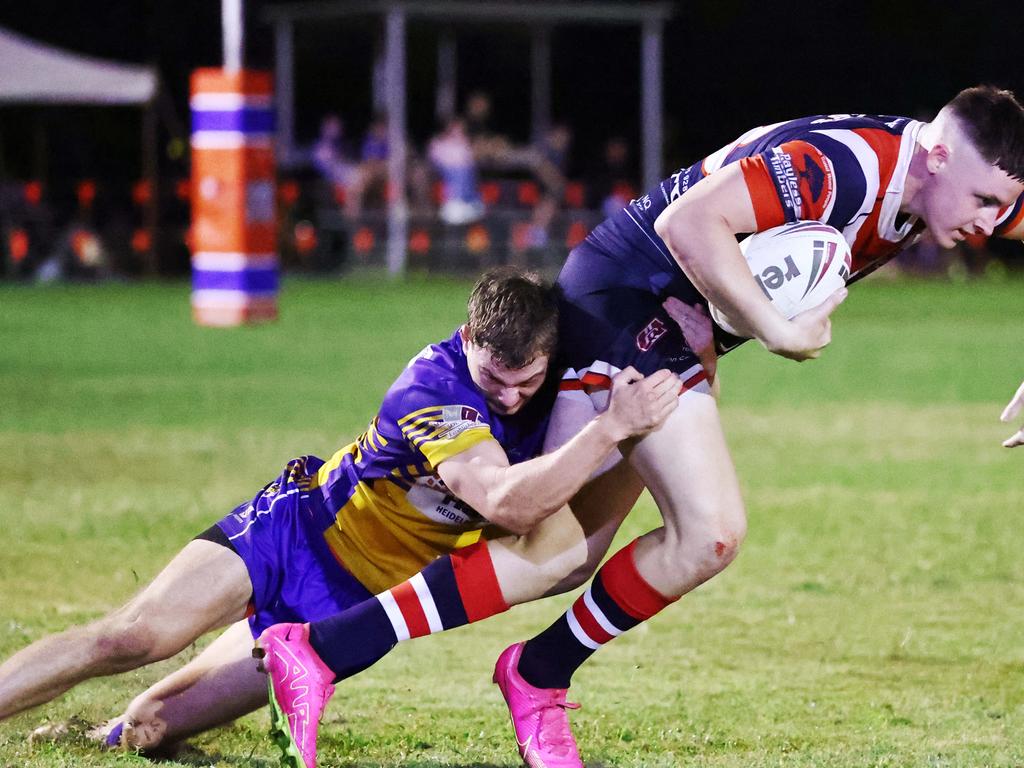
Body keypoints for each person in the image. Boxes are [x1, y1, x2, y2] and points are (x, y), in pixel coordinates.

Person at [254, 85, 1024, 768]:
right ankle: (462, 666)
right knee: (708, 531)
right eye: (985, 202)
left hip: (671, 324)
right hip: (625, 301)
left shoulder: (939, 178)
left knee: (563, 554)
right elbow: (693, 222)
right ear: (936, 153)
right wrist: (774, 330)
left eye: (1001, 208)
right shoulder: (849, 166)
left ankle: (344, 653)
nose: (992, 225)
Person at [0, 268, 681, 759]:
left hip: (349, 609)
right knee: (131, 639)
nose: (506, 397)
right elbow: (509, 502)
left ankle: (99, 735)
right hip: (296, 530)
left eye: (524, 381)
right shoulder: (433, 386)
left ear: (549, 355)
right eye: (491, 377)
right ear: (468, 335)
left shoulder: (557, 391)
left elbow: (562, 544)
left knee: (150, 727)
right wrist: (610, 430)